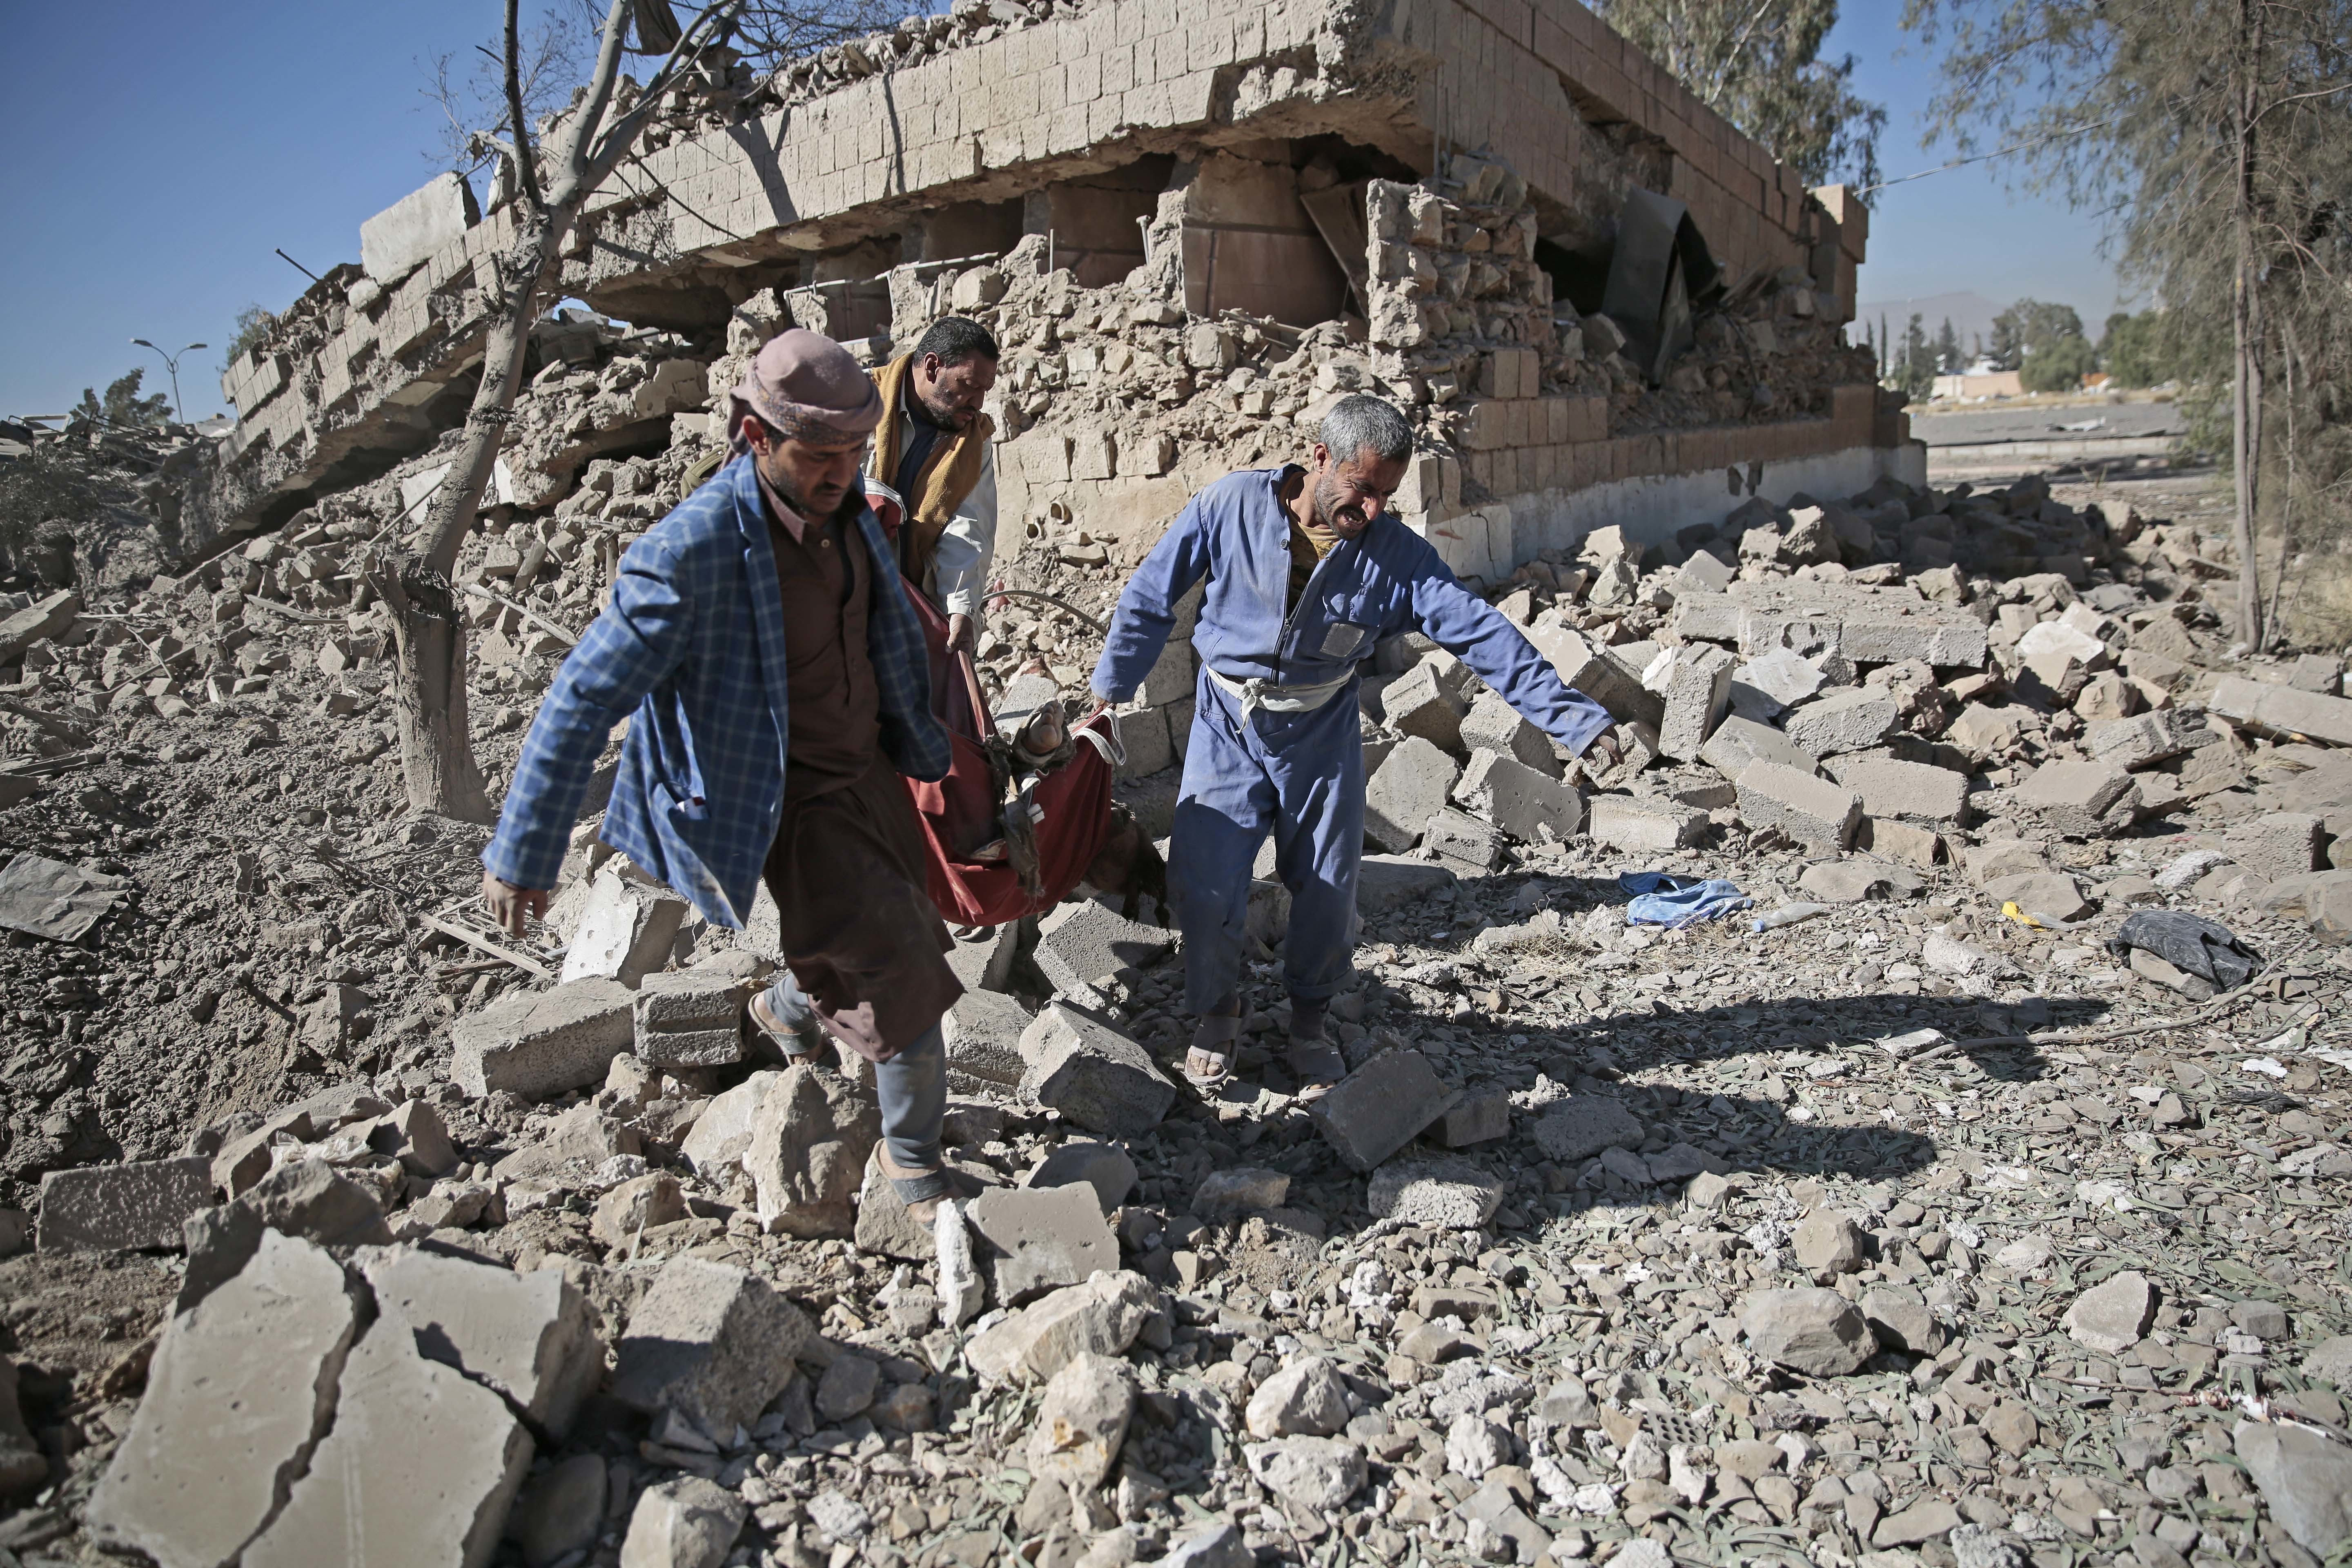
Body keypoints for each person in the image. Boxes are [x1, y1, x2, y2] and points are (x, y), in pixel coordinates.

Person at [479, 328, 969, 1218]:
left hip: (866, 766)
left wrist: (931, 739)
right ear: (754, 438)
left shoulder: (848, 506)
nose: (842, 473)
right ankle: (913, 1172)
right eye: (819, 456)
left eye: (855, 452)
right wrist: (523, 849)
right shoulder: (689, 555)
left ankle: (787, 1010)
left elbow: (885, 624)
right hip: (779, 793)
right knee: (898, 958)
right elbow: (582, 696)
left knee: (907, 921)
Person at [1089, 394, 1624, 1100]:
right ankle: (1218, 1011)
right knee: (1204, 877)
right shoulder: (1231, 507)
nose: (1371, 509)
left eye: (1387, 495)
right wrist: (1110, 690)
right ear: (1320, 460)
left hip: (1319, 732)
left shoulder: (1397, 557)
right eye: (1362, 488)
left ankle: (1309, 1020)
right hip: (1227, 723)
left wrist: (1575, 719)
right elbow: (1153, 593)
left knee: (1326, 885)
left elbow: (1483, 635)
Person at [869, 316, 1000, 656]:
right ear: (932, 367)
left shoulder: (973, 443)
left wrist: (961, 612)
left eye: (985, 391)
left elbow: (967, 530)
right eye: (970, 385)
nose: (978, 403)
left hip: (909, 605)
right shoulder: (859, 406)